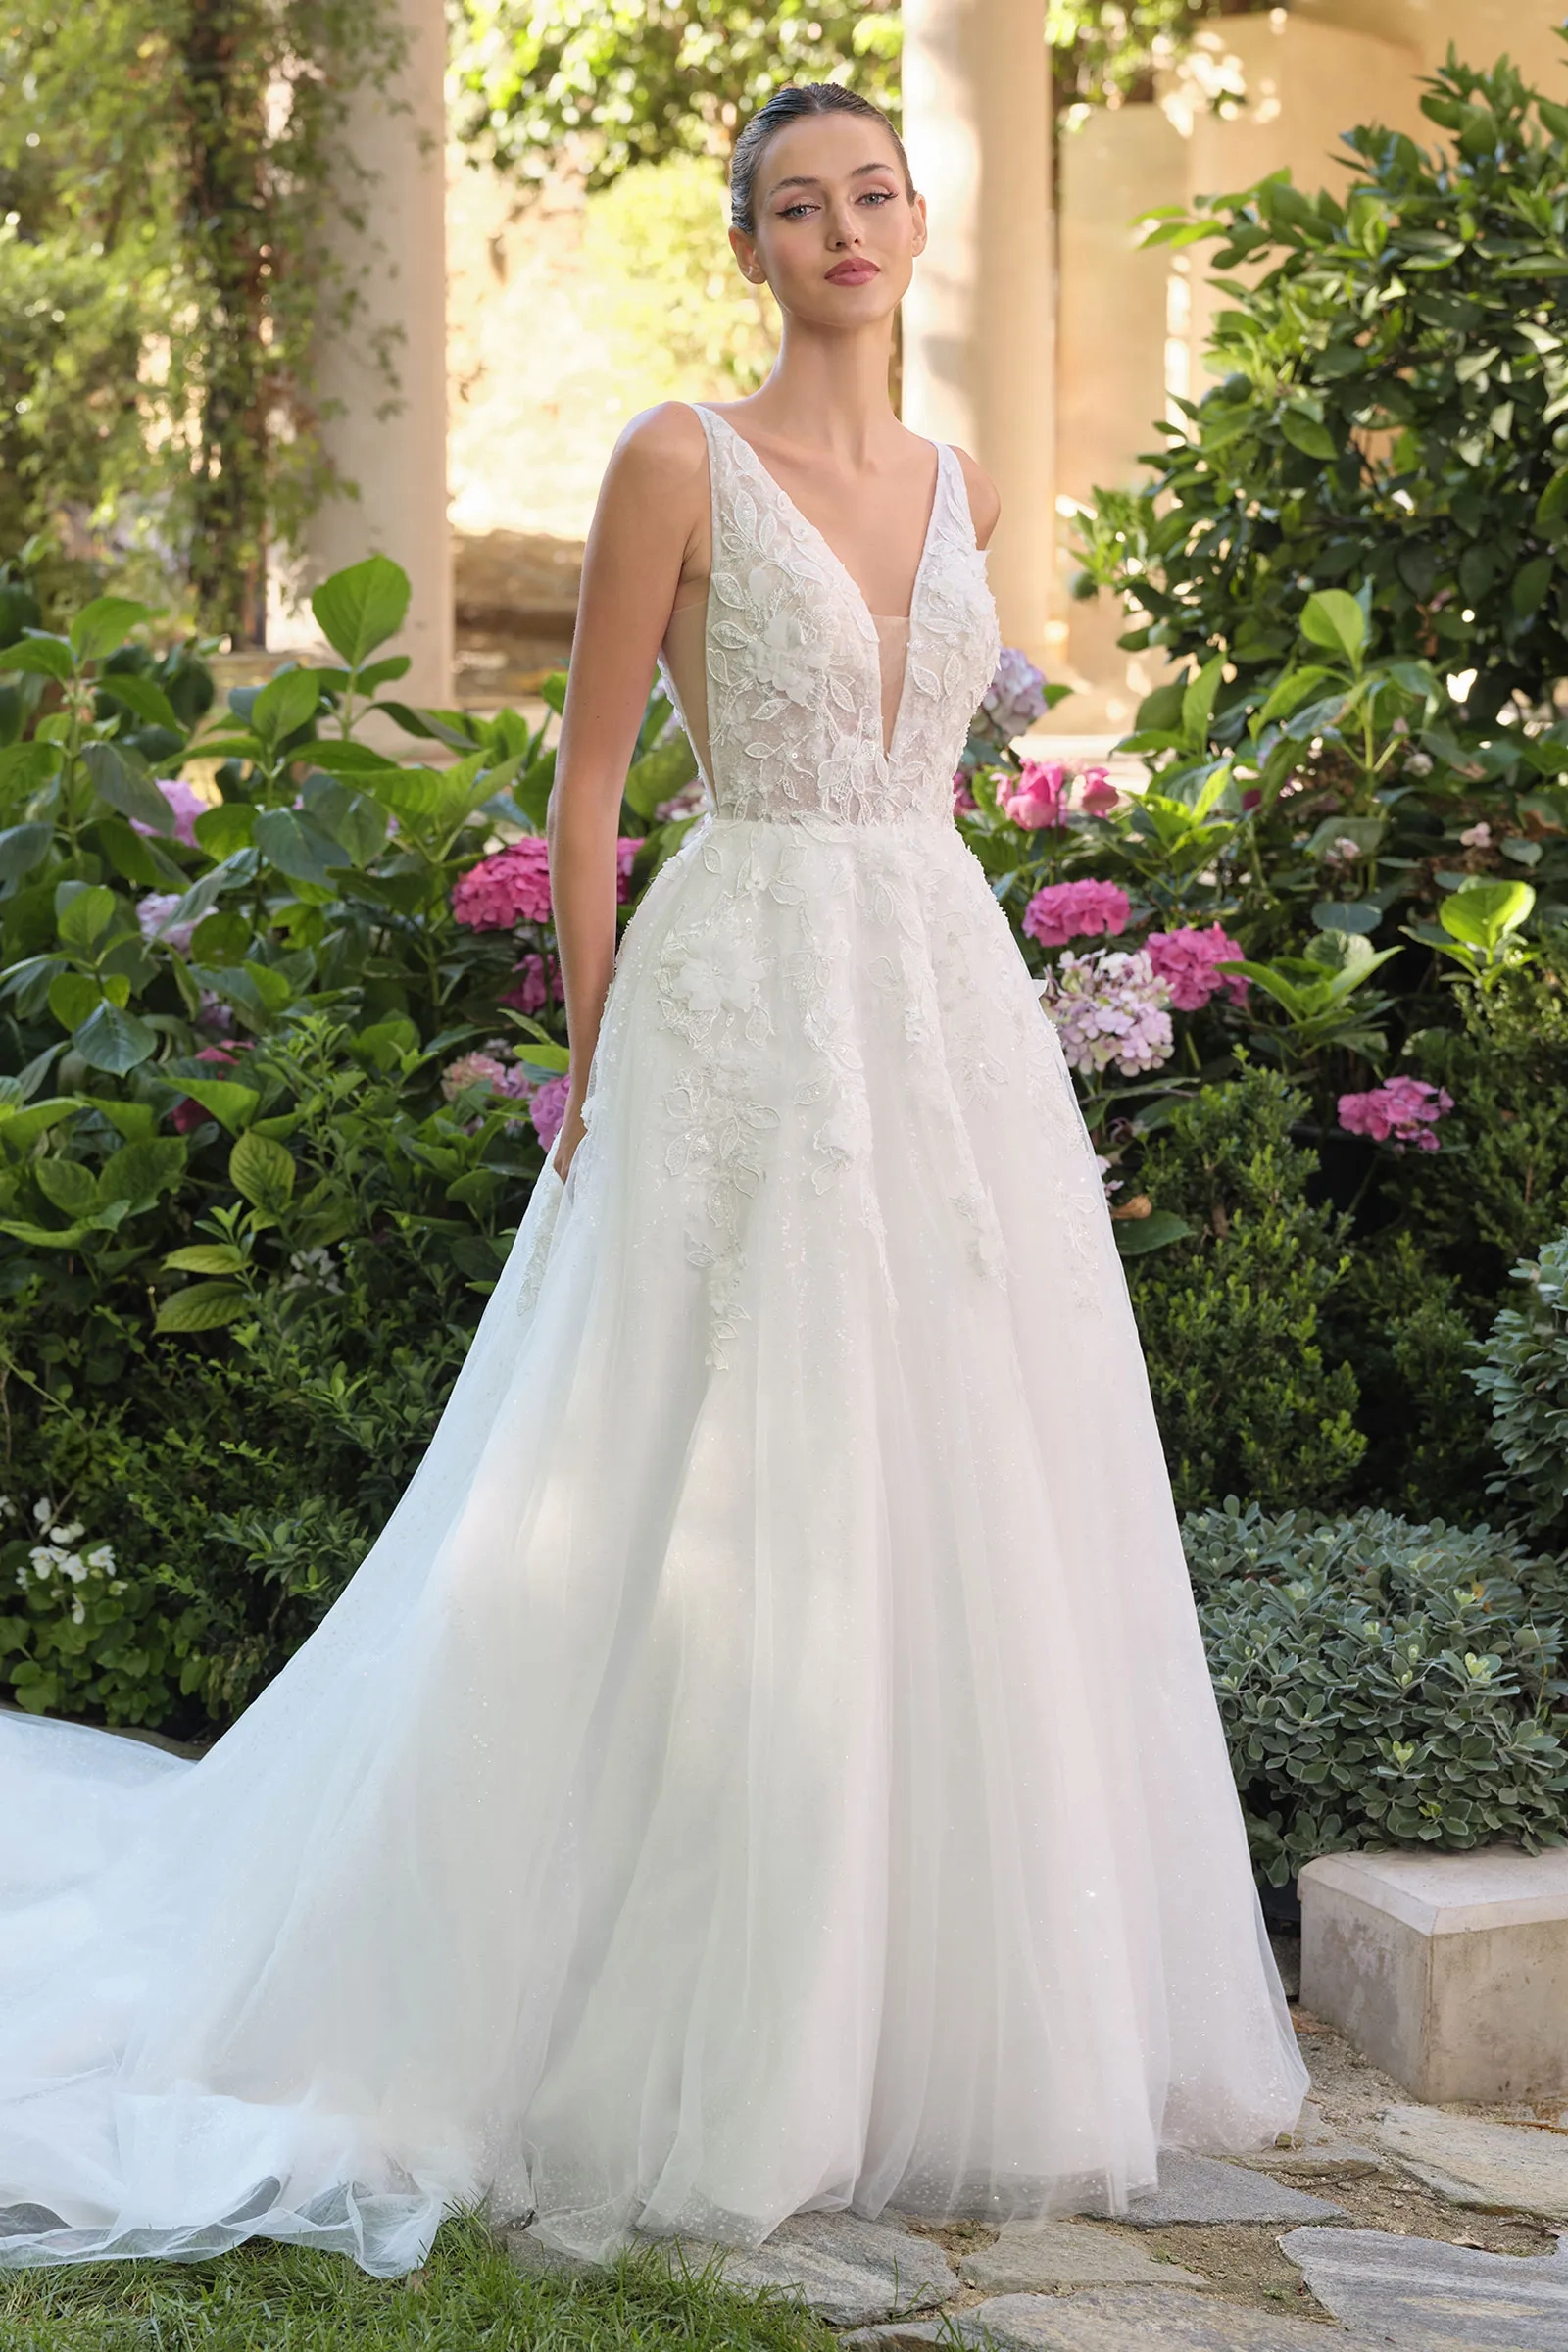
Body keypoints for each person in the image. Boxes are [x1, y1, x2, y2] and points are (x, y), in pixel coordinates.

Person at [0, 83, 1306, 2281]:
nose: (842, 230)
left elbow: (929, 769)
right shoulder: (674, 460)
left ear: (918, 220)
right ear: (750, 246)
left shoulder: (968, 483)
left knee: (966, 1463)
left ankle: (929, 2024)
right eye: (797, 204)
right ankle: (679, 2023)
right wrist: (604, 1053)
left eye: (872, 193)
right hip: (736, 999)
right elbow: (591, 783)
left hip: (935, 1004)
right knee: (704, 1464)